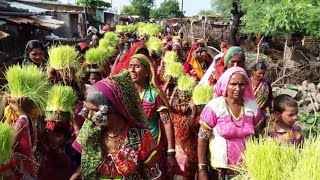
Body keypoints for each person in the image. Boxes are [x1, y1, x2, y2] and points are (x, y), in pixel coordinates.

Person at [72, 71, 157, 179]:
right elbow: (85, 166)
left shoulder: (140, 137)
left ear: (110, 108)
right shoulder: (91, 130)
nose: (88, 116)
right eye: (86, 110)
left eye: (92, 110)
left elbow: (154, 175)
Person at [197, 67, 261, 180]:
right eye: (233, 84)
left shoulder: (252, 107)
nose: (238, 88)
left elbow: (257, 136)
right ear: (225, 84)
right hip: (220, 170)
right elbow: (202, 139)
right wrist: (202, 169)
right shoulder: (215, 107)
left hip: (246, 169)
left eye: (242, 84)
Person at [129, 54, 178, 178]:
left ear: (147, 72)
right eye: (130, 66)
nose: (132, 70)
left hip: (153, 151)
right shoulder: (125, 94)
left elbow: (167, 122)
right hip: (130, 151)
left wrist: (171, 153)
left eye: (137, 67)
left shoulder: (154, 94)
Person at [37, 85, 76, 180]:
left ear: (65, 138)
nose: (51, 137)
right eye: (49, 132)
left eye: (57, 135)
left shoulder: (64, 159)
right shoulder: (38, 150)